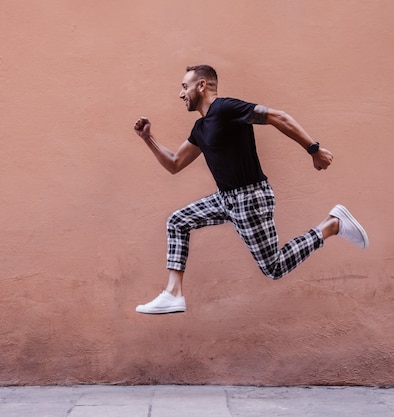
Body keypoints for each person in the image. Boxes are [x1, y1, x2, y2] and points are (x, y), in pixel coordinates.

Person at [133, 65, 368, 314]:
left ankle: (331, 225)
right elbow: (174, 163)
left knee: (274, 268)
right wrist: (148, 138)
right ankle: (173, 293)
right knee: (177, 221)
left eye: (184, 87)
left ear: (201, 85)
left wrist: (314, 149)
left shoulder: (225, 109)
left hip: (250, 197)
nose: (181, 94)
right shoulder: (200, 129)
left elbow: (279, 116)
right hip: (225, 199)